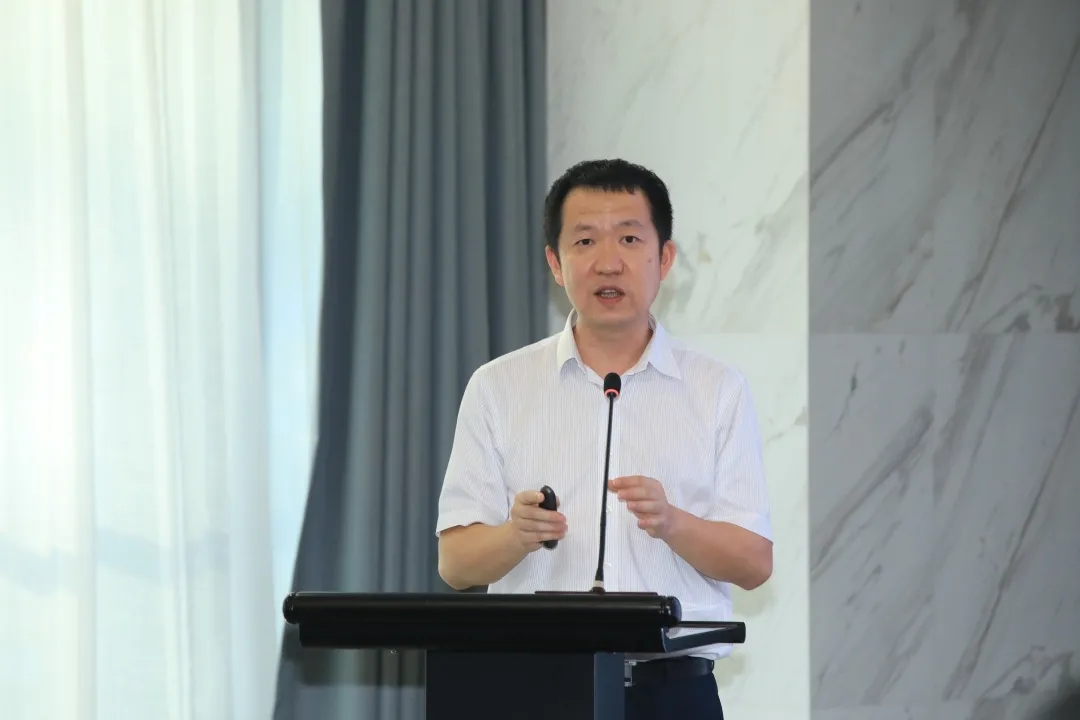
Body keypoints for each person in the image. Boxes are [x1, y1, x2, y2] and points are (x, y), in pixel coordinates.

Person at [435, 158, 773, 719]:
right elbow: (455, 563)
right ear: (555, 262)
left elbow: (754, 563)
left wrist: (673, 523)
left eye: (630, 239)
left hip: (671, 694)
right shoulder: (498, 386)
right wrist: (515, 536)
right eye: (585, 240)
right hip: (533, 689)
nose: (608, 262)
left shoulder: (718, 389)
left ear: (665, 258)